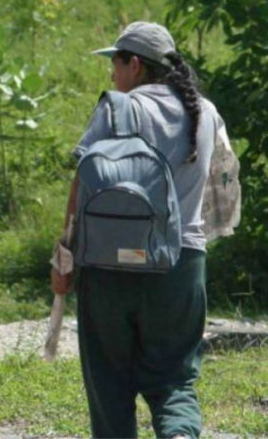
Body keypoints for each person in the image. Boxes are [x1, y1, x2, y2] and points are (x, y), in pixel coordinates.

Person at [52, 22, 219, 438]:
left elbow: (82, 184)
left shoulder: (118, 108)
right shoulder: (207, 113)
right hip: (180, 266)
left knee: (109, 383)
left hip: (109, 268)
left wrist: (64, 257)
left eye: (116, 62)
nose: (112, 73)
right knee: (175, 380)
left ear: (136, 66)